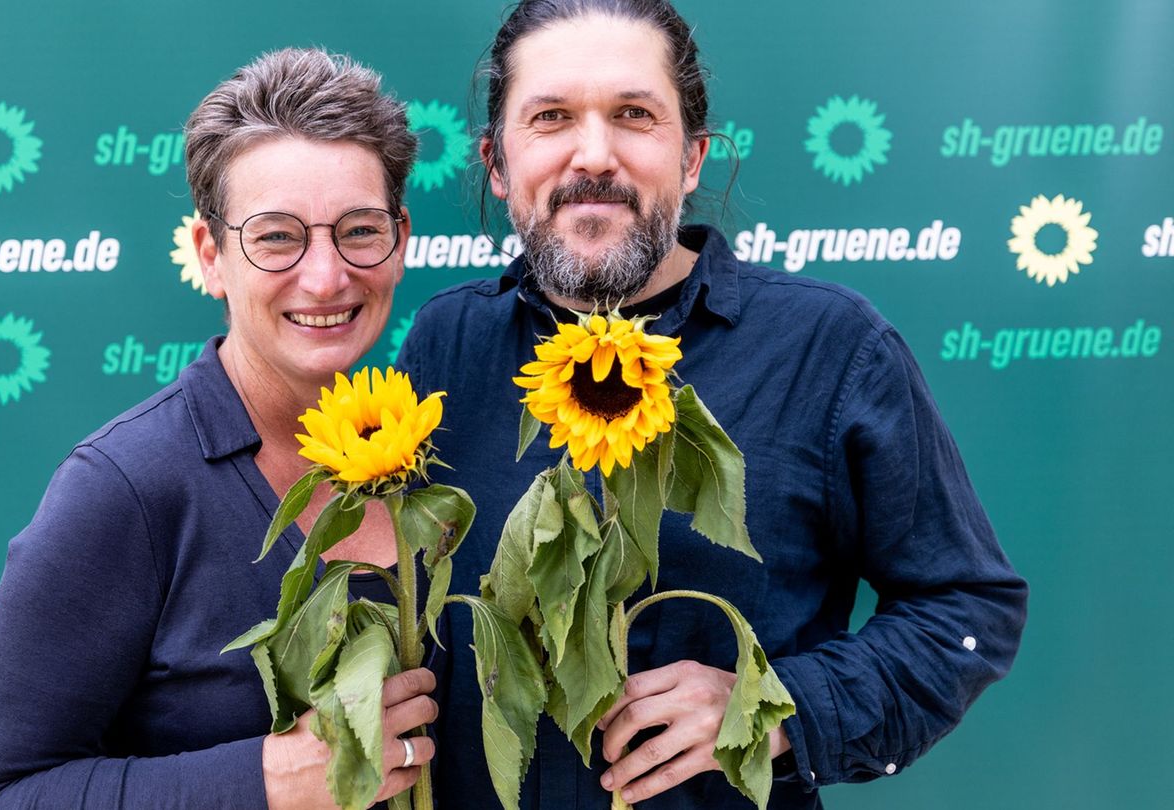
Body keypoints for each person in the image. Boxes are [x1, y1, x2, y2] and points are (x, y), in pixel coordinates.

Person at [397, 1, 1028, 808]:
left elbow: (966, 609)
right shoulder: (445, 346)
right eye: (551, 117)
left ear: (692, 157)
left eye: (635, 115)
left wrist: (774, 708)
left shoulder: (831, 350)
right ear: (495, 161)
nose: (595, 155)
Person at [0, 48, 438, 810]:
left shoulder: (441, 451)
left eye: (359, 230)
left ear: (400, 240)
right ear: (211, 256)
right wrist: (267, 782)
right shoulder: (127, 487)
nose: (326, 275)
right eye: (277, 236)